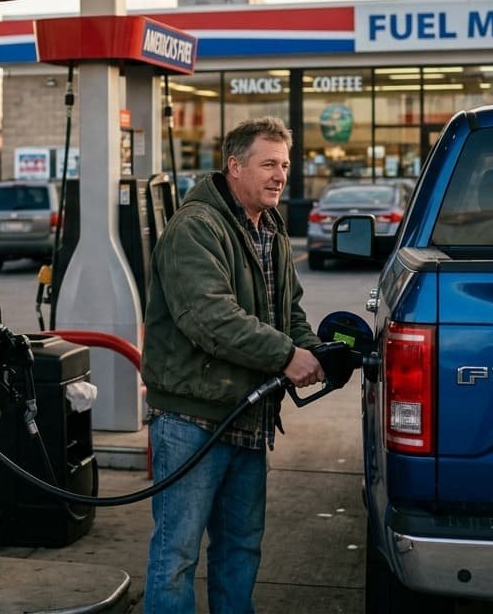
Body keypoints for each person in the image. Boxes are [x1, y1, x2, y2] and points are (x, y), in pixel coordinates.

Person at [141, 117, 324, 614]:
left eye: (284, 165)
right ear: (235, 167)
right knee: (176, 556)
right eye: (268, 164)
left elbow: (288, 311)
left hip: (247, 414)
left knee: (240, 550)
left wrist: (317, 351)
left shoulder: (271, 228)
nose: (280, 175)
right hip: (191, 421)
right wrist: (287, 357)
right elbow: (211, 317)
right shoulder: (196, 228)